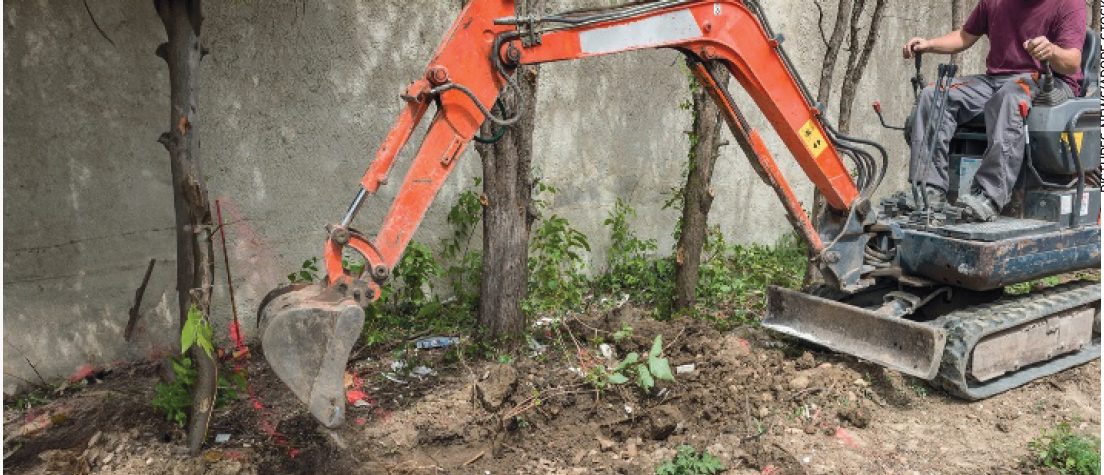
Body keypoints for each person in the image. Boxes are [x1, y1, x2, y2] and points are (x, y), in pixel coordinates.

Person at [901, 0, 1086, 221]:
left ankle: (988, 196)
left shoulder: (1069, 3)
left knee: (1010, 97)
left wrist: (1052, 50)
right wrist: (929, 44)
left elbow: (1072, 62)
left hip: (1050, 81)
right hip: (995, 82)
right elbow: (964, 36)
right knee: (933, 94)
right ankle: (930, 189)